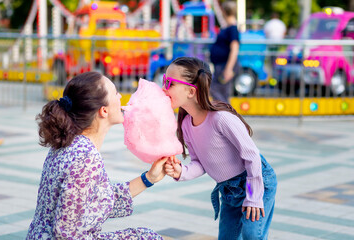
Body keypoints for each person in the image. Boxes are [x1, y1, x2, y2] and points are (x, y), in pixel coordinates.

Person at [26, 72, 167, 240]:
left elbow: (97, 200)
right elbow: (66, 233)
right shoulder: (85, 157)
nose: (120, 96)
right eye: (115, 92)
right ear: (104, 110)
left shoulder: (70, 143)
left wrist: (149, 178)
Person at [163, 57, 277, 240]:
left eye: (169, 83)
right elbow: (199, 163)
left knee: (251, 234)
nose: (163, 88)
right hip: (229, 190)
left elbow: (252, 156)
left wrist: (254, 196)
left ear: (191, 91)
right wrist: (180, 172)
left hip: (253, 180)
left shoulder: (221, 119)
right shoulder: (186, 124)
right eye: (164, 81)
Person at [209, 1, 240, 103]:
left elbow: (234, 48)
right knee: (219, 91)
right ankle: (223, 113)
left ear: (223, 11)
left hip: (225, 65)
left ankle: (225, 114)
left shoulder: (232, 29)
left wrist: (228, 69)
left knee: (217, 90)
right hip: (221, 65)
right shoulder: (228, 28)